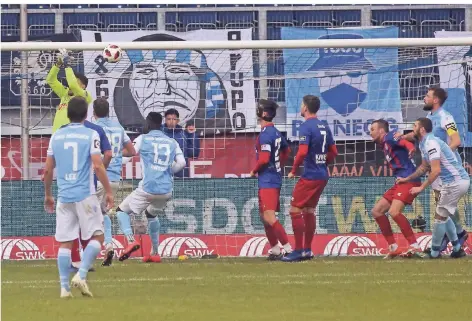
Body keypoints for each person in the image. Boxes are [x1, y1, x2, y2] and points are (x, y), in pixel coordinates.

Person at [43, 97, 114, 298]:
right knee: (99, 235)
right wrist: (108, 191)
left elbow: (48, 169)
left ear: (67, 114)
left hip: (64, 196)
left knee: (65, 242)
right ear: (85, 114)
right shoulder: (91, 134)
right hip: (85, 194)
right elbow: (98, 165)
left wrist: (48, 195)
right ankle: (81, 275)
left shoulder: (56, 136)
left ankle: (64, 288)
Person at [395, 86, 468, 251]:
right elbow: (418, 135)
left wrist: (441, 159)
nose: (424, 98)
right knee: (441, 204)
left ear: (435, 100)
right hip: (434, 168)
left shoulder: (445, 117)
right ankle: (458, 233)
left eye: (427, 96)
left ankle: (449, 237)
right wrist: (403, 136)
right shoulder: (429, 116)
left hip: (446, 170)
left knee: (442, 206)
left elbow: (456, 141)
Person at [115, 112, 186, 263]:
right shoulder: (172, 141)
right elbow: (182, 163)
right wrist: (166, 170)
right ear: (161, 124)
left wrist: (108, 159)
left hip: (148, 189)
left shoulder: (142, 138)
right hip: (166, 191)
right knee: (151, 215)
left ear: (148, 123)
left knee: (121, 212)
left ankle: (130, 240)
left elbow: (126, 158)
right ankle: (155, 252)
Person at [283, 95, 338, 262]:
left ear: (305, 108)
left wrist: (293, 170)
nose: (300, 108)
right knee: (308, 211)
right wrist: (322, 163)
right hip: (322, 175)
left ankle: (299, 250)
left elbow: (302, 152)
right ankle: (307, 250)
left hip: (310, 175)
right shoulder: (324, 126)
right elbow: (334, 152)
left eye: (301, 105)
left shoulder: (306, 126)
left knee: (294, 210)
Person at [93, 98, 136, 266]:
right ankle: (108, 247)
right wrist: (117, 154)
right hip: (115, 178)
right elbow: (131, 151)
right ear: (108, 111)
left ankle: (84, 253)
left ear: (94, 113)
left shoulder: (93, 128)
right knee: (102, 213)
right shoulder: (118, 127)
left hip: (99, 176)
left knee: (88, 215)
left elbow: (100, 153)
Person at [369, 119, 421, 259]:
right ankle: (393, 247)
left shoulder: (389, 136)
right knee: (377, 211)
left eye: (372, 129)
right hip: (400, 182)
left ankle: (414, 246)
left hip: (409, 180)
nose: (370, 132)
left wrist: (410, 148)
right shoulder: (384, 143)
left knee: (394, 211)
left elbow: (403, 142)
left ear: (381, 130)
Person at [249, 99, 292, 260]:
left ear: (264, 114)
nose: (257, 111)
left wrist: (254, 170)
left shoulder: (266, 135)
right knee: (264, 216)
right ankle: (275, 249)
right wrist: (278, 165)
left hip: (268, 180)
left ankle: (287, 248)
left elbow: (265, 159)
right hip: (272, 177)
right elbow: (287, 150)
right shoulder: (276, 132)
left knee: (269, 216)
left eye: (259, 109)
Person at [47, 49, 93, 133]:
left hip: (73, 135)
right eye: (72, 79)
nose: (71, 81)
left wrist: (67, 66)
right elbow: (50, 80)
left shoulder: (84, 96)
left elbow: (73, 85)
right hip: (57, 134)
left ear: (83, 86)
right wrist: (57, 65)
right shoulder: (65, 93)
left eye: (76, 80)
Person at [162, 108, 200, 178]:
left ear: (178, 121)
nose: (171, 121)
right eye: (169, 119)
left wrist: (192, 135)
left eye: (173, 119)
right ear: (165, 120)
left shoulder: (184, 134)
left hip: (181, 175)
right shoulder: (159, 134)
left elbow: (193, 153)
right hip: (162, 175)